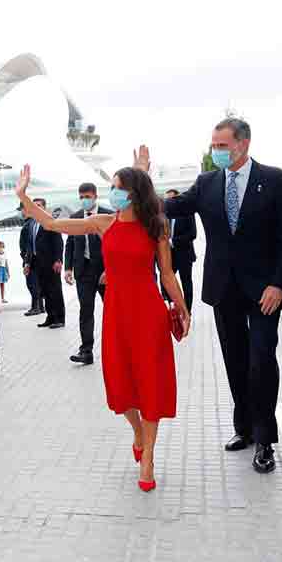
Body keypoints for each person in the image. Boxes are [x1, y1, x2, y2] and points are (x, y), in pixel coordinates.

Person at [17, 161, 188, 491]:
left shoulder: (157, 227)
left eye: (119, 187)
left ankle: (148, 457)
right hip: (117, 315)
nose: (114, 193)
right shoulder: (101, 223)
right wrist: (23, 196)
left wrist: (182, 308)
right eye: (112, 187)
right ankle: (137, 432)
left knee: (150, 382)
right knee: (121, 388)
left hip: (149, 314)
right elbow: (52, 224)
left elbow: (167, 274)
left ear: (134, 193)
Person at [163, 117, 282, 473]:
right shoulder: (207, 183)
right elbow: (171, 208)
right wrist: (140, 185)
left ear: (244, 144)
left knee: (261, 361)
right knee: (236, 362)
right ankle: (246, 429)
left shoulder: (275, 180)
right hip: (225, 289)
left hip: (264, 291)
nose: (216, 152)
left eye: (222, 146)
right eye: (214, 145)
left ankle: (266, 439)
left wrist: (279, 284)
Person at [64, 183, 112, 365]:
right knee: (85, 310)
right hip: (83, 272)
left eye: (87, 196)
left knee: (112, 310)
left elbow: (116, 244)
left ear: (95, 196)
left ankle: (118, 348)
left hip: (105, 272)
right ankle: (86, 350)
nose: (84, 200)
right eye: (81, 197)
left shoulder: (108, 215)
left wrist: (112, 268)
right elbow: (70, 243)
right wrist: (68, 268)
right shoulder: (76, 217)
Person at [28, 198, 65, 328]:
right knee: (45, 291)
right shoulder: (32, 223)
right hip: (38, 263)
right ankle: (50, 317)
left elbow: (58, 242)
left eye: (39, 205)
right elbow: (30, 245)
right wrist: (28, 263)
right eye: (35, 205)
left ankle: (59, 319)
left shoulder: (50, 221)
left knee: (55, 290)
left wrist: (58, 260)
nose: (37, 207)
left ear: (44, 207)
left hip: (51, 263)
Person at [163, 189, 197, 313]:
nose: (168, 203)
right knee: (165, 282)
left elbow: (192, 234)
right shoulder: (163, 216)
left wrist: (173, 241)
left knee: (186, 282)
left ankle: (188, 310)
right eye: (166, 200)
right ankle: (172, 307)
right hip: (169, 256)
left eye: (171, 200)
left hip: (184, 255)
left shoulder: (187, 213)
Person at [18, 209, 43, 316]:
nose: (20, 213)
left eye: (21, 210)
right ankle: (40, 306)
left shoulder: (29, 224)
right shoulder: (31, 223)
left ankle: (35, 307)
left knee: (32, 284)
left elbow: (27, 246)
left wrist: (26, 260)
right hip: (32, 259)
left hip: (30, 259)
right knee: (37, 283)